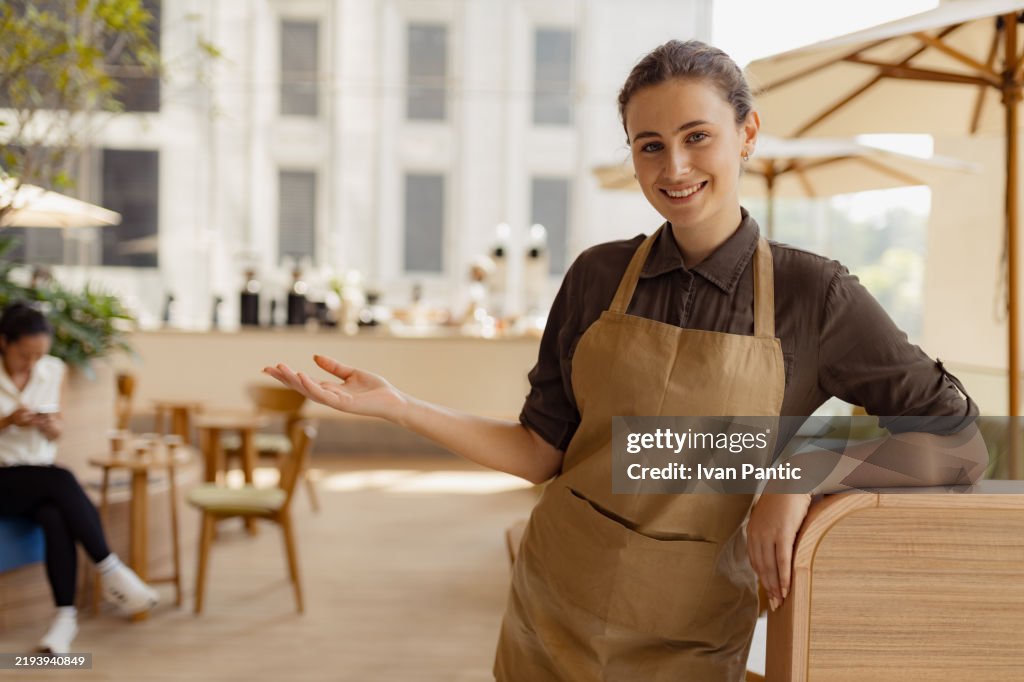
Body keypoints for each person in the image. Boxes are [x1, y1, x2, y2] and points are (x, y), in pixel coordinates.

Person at [264, 40, 987, 681]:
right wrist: (401, 408)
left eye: (697, 136)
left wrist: (802, 469)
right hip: (552, 609)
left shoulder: (814, 293)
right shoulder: (594, 276)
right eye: (649, 145)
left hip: (692, 633)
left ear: (747, 134)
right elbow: (541, 451)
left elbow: (957, 442)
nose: (674, 167)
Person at [0, 302, 159, 654]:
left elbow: (58, 429)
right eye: (25, 355)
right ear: (4, 342)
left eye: (39, 355)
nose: (33, 363)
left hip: (37, 476)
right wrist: (7, 422)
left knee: (55, 515)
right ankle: (112, 570)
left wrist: (52, 426)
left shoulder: (52, 370)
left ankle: (64, 620)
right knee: (61, 480)